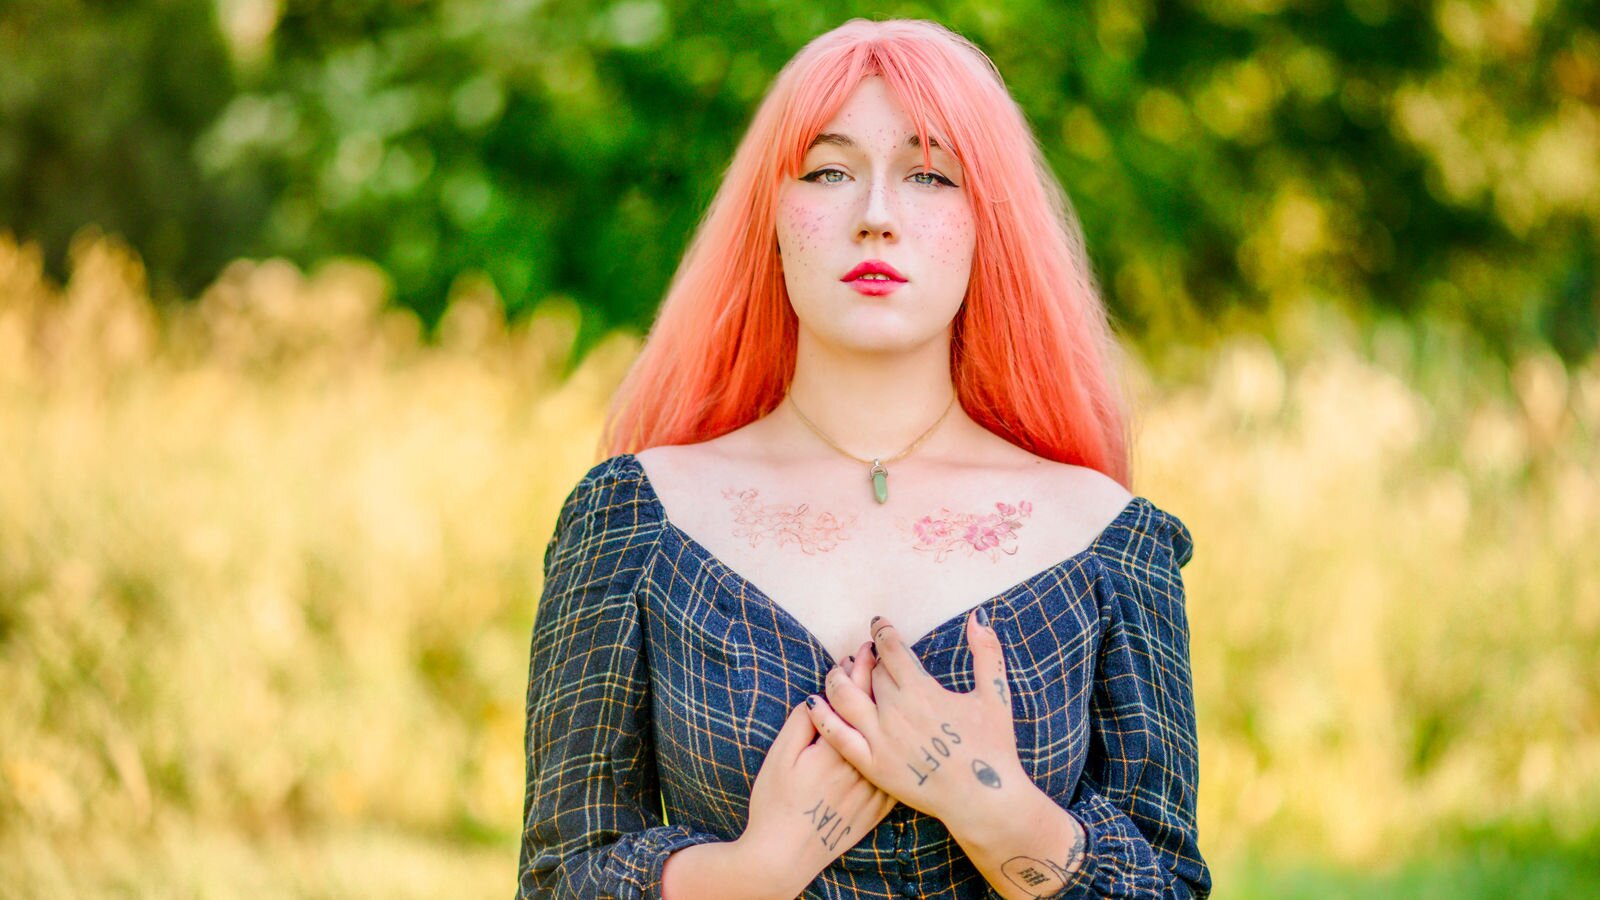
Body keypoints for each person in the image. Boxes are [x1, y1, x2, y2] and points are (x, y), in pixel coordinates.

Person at [518, 17, 1210, 900]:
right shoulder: (637, 518)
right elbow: (560, 877)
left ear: (987, 224)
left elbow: (1170, 883)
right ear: (771, 216)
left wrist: (991, 805)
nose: (876, 217)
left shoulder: (1108, 538)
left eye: (930, 175)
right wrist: (753, 872)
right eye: (829, 172)